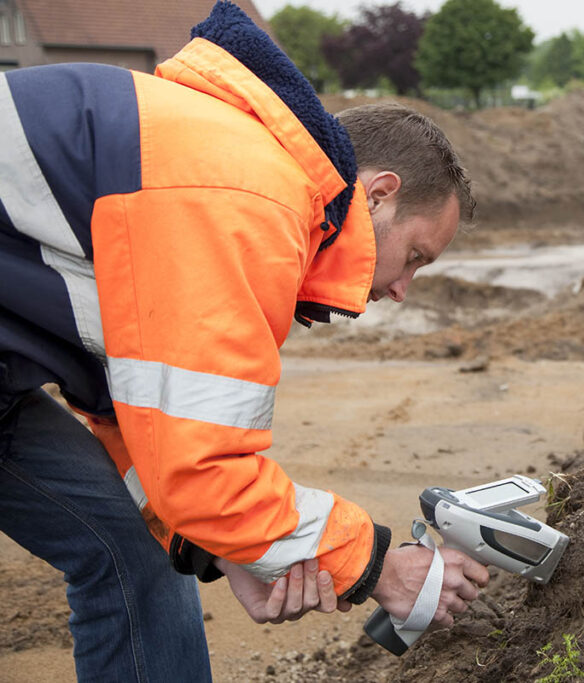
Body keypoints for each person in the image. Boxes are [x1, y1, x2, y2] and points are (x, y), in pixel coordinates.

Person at [0, 2, 487, 680]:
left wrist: (216, 547)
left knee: (138, 556)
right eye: (417, 256)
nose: (405, 286)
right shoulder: (244, 197)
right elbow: (205, 467)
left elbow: (134, 413)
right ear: (378, 195)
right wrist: (376, 563)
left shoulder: (229, 166)